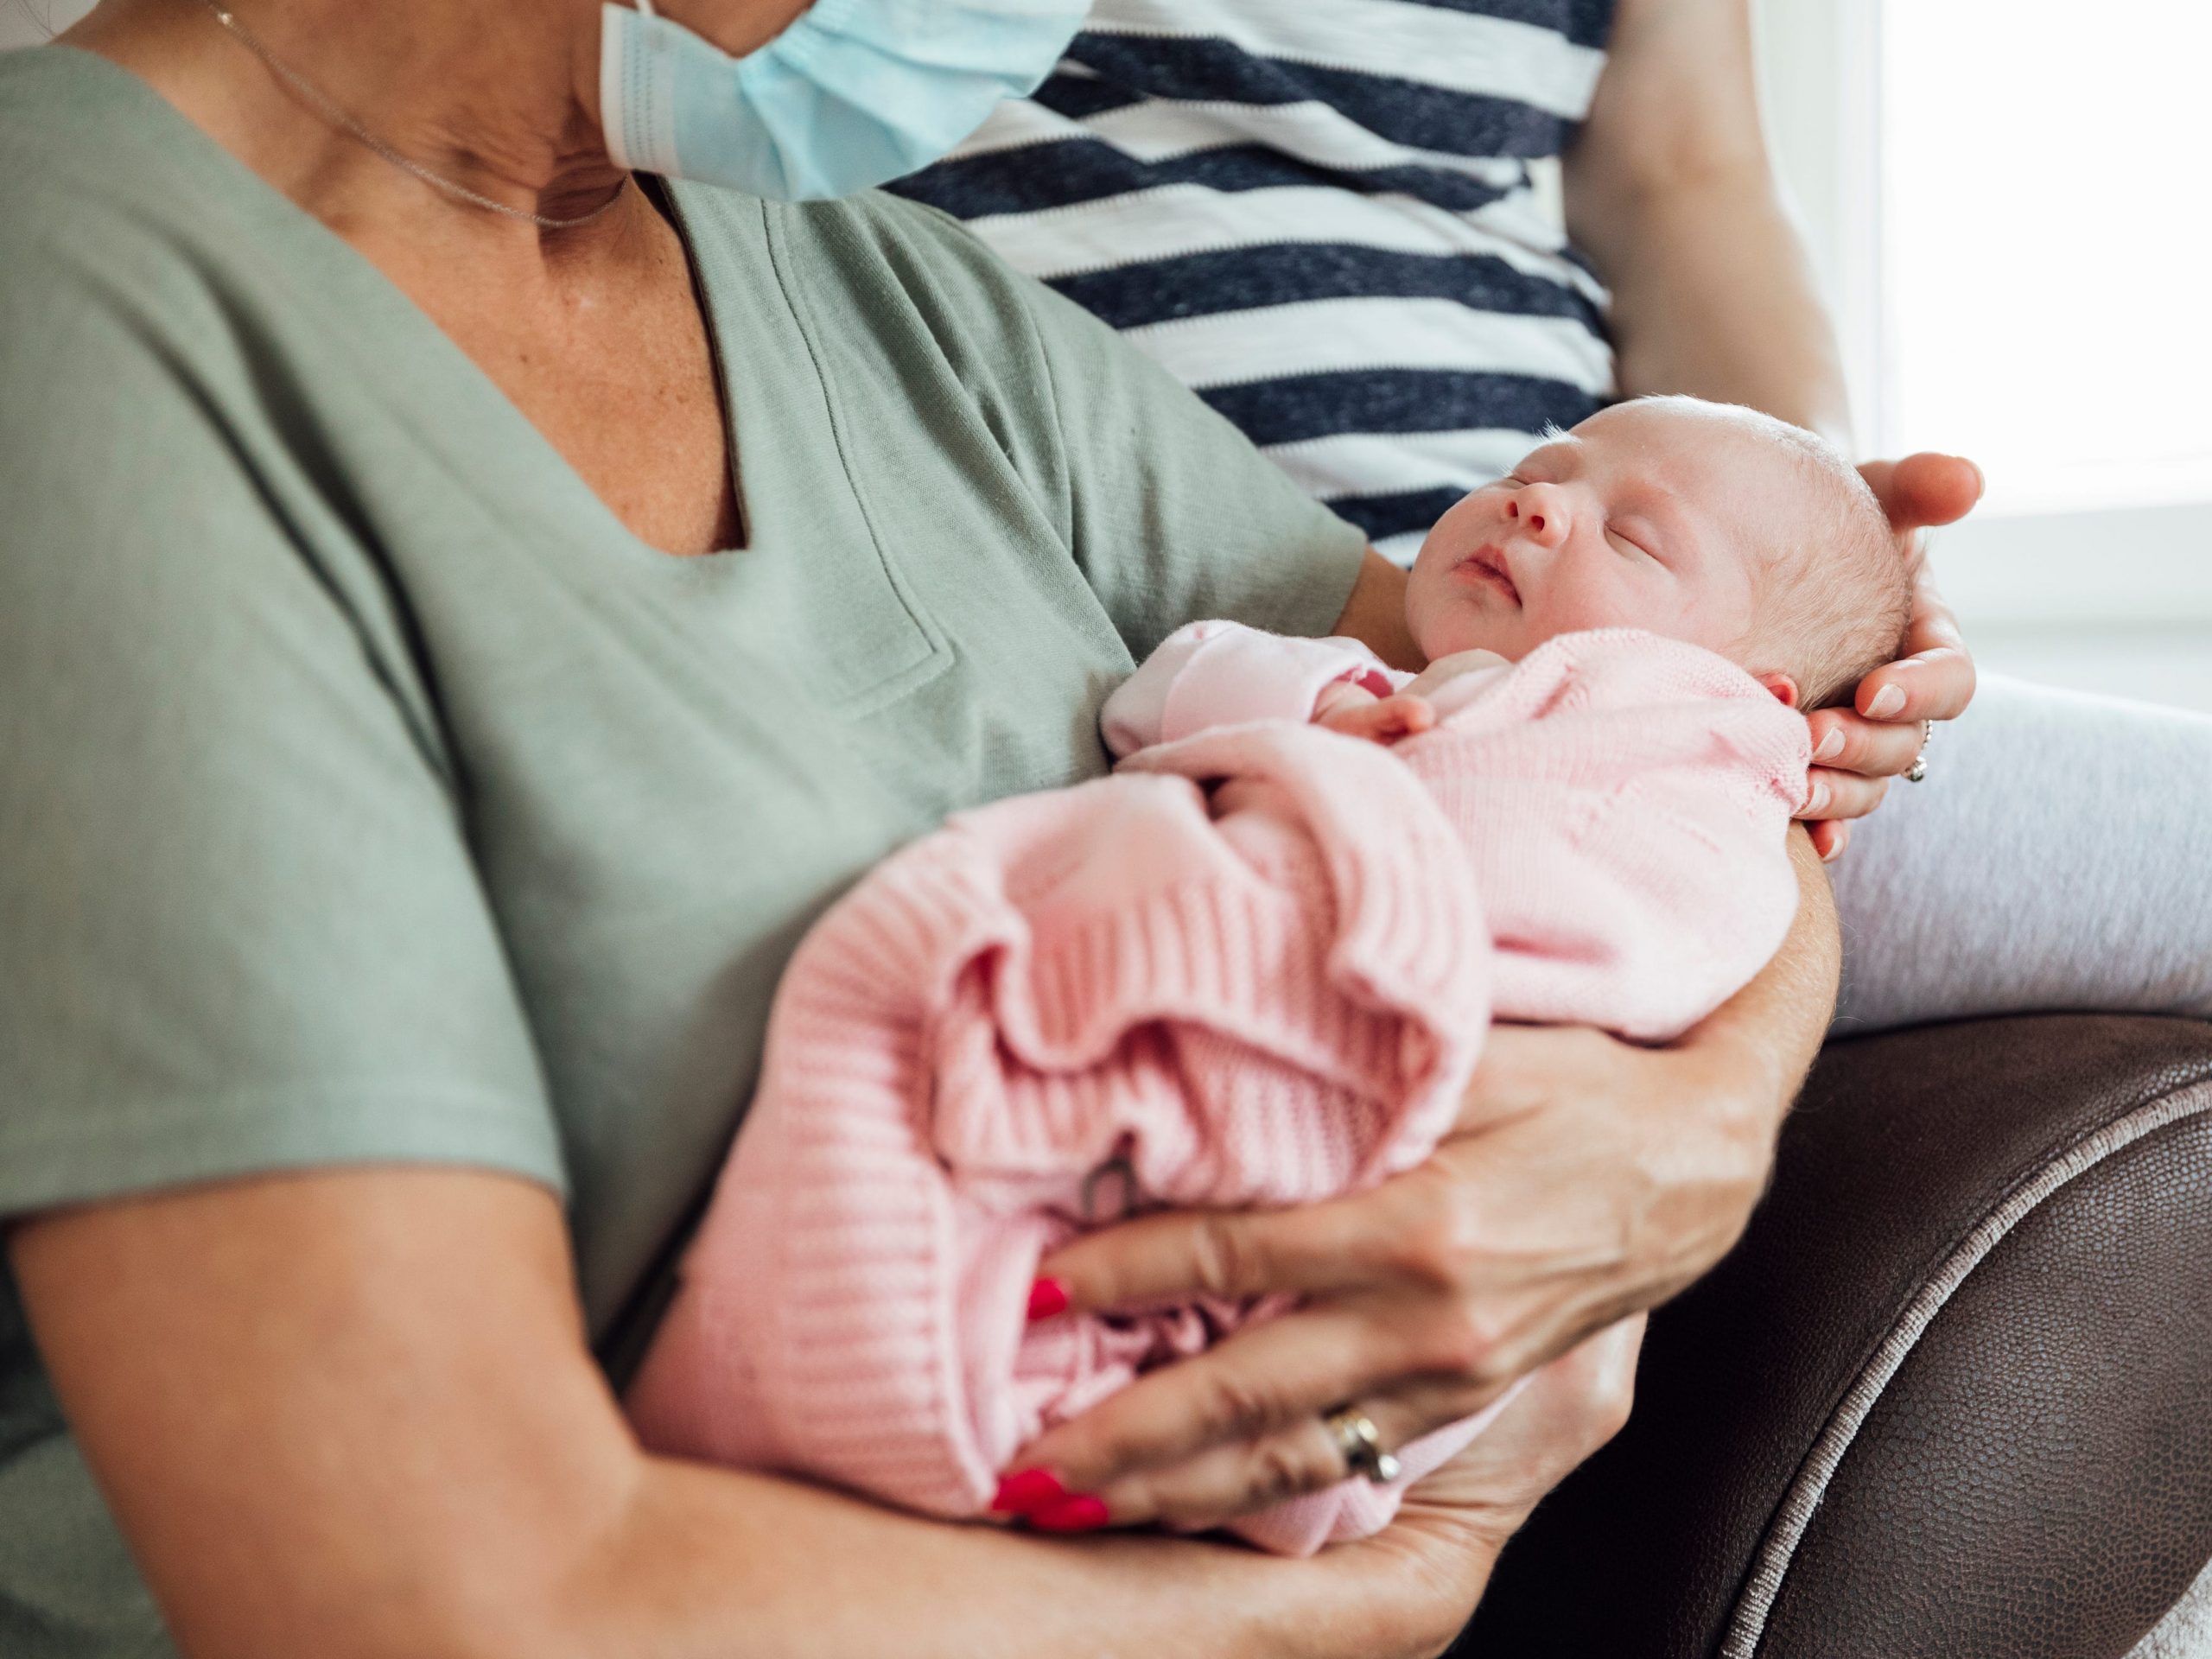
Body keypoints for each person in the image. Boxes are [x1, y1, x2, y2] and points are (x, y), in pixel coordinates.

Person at [0, 0, 1885, 1653]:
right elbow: (450, 1605)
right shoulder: (75, 324)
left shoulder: (877, 293)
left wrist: (1688, 1137)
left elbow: (1621, 726)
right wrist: (1391, 1585)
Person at [896, 0, 2212, 1047]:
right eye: (1542, 472)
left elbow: (1690, 176)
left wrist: (1816, 562)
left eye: (1620, 522)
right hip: (1059, 542)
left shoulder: (1720, 714)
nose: (1537, 496)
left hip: (1654, 654)